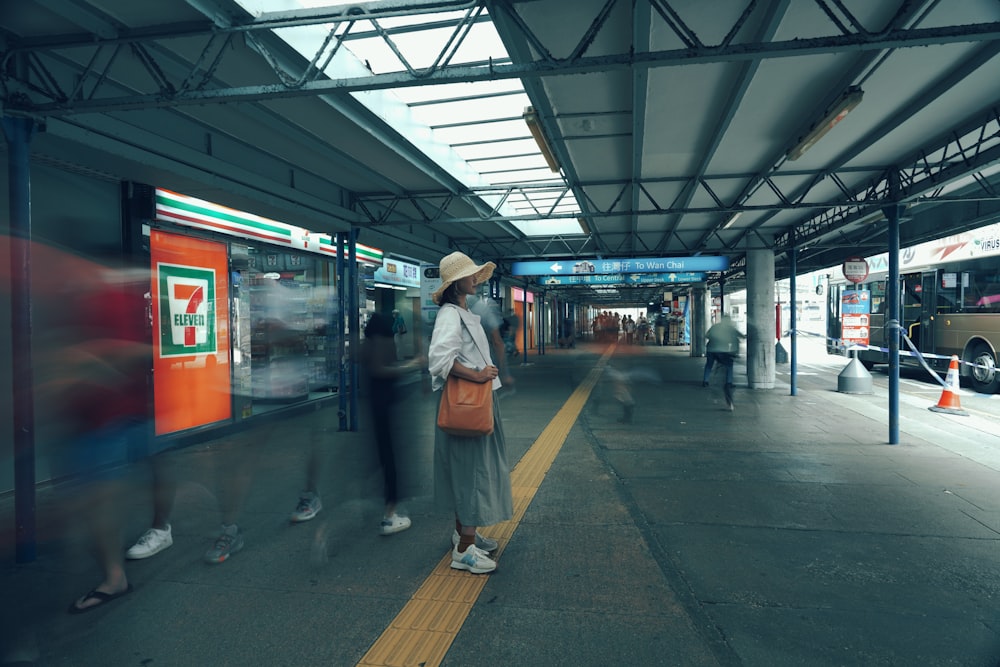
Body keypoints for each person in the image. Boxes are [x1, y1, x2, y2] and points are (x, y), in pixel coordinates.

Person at [428, 252, 513, 575]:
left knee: (469, 471)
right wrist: (477, 375)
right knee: (473, 472)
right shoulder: (451, 314)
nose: (475, 278)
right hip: (468, 406)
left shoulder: (461, 311)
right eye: (470, 275)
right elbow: (439, 360)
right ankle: (464, 550)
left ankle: (466, 535)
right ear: (455, 284)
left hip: (475, 403)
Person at [360, 311, 424, 535]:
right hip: (387, 409)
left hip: (374, 409)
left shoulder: (366, 342)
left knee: (383, 457)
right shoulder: (384, 341)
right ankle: (390, 514)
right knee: (391, 461)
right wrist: (412, 365)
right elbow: (382, 369)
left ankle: (388, 508)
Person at [702, 314, 746, 410]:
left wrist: (714, 338)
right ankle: (729, 382)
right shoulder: (730, 329)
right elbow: (741, 336)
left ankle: (705, 381)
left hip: (711, 349)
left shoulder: (715, 327)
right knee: (729, 366)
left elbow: (706, 335)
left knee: (709, 365)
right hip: (722, 351)